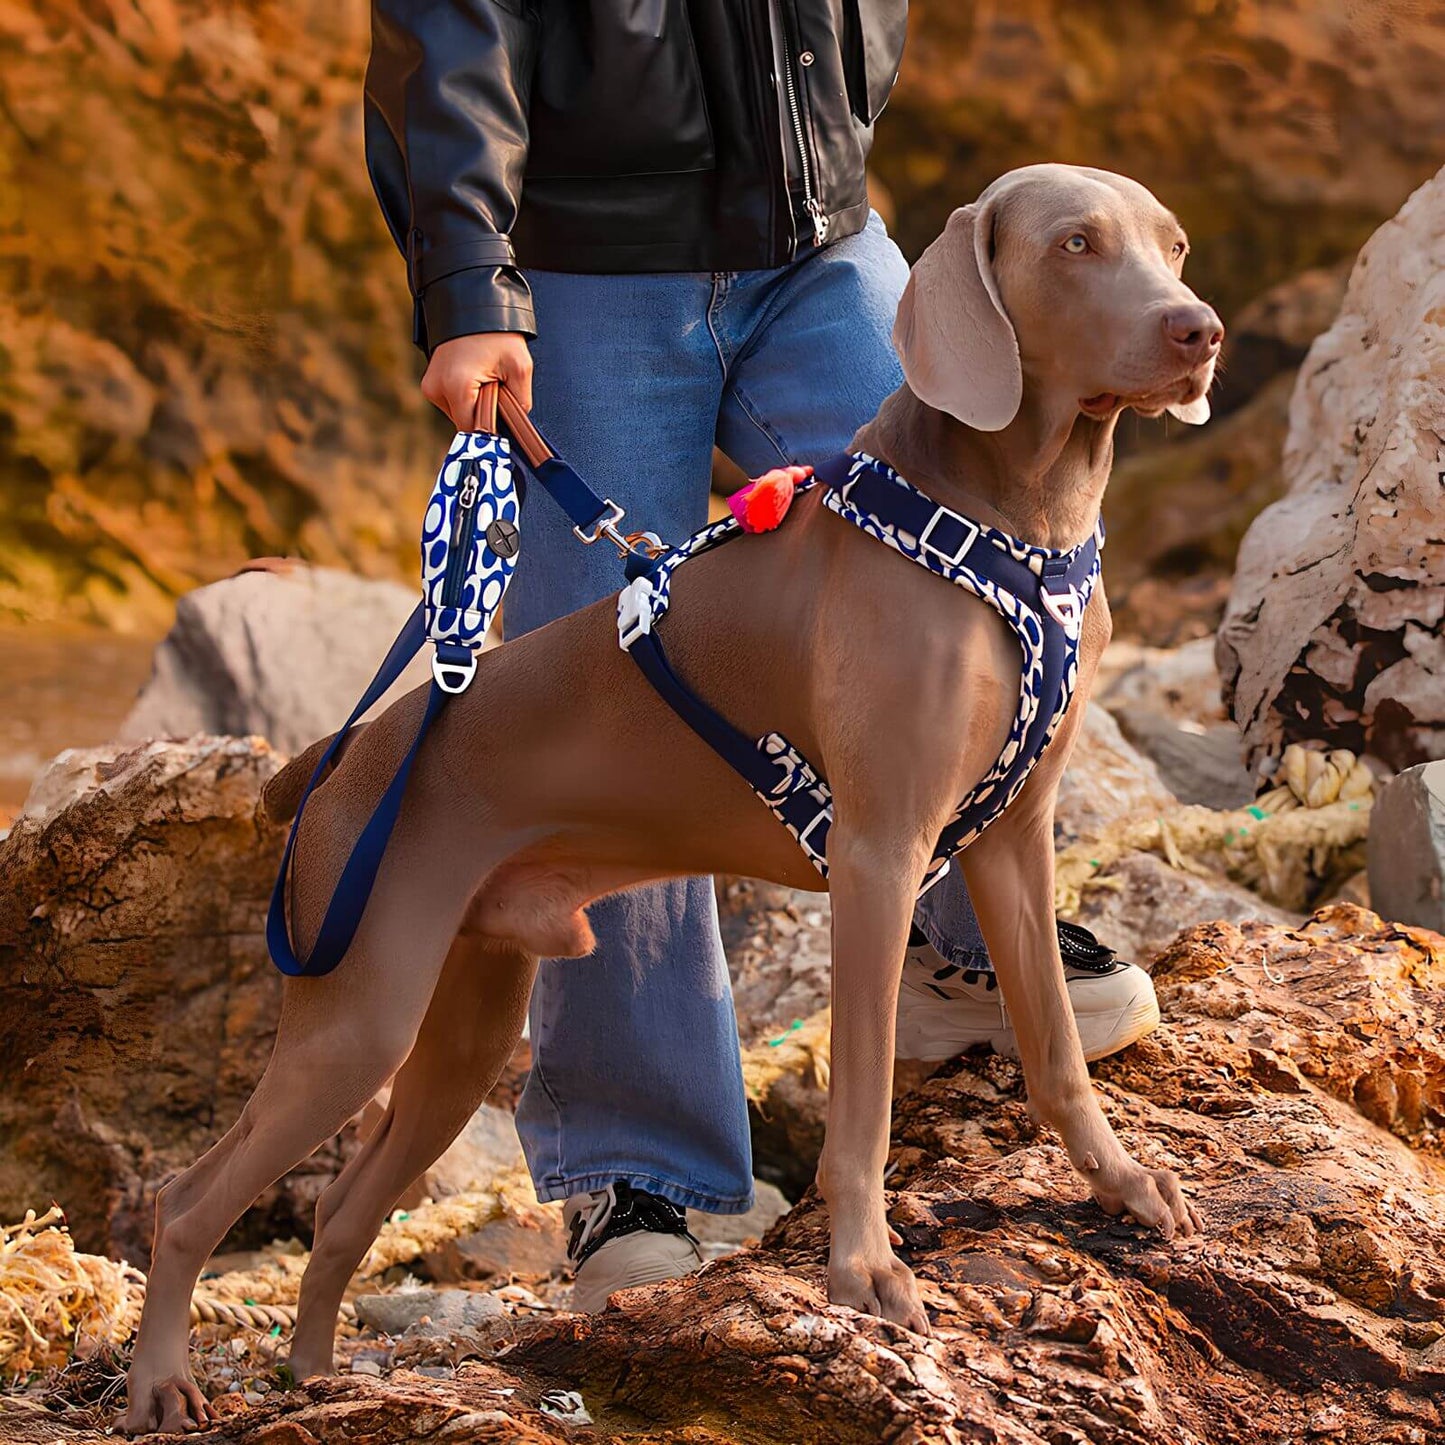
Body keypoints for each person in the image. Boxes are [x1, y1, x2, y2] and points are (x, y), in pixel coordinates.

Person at [363, 0, 1159, 1309]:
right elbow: (445, 38)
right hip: (585, 268)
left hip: (822, 245)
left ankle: (958, 958)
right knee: (616, 710)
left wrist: (827, 118)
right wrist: (467, 284)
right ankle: (644, 1169)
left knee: (992, 561)